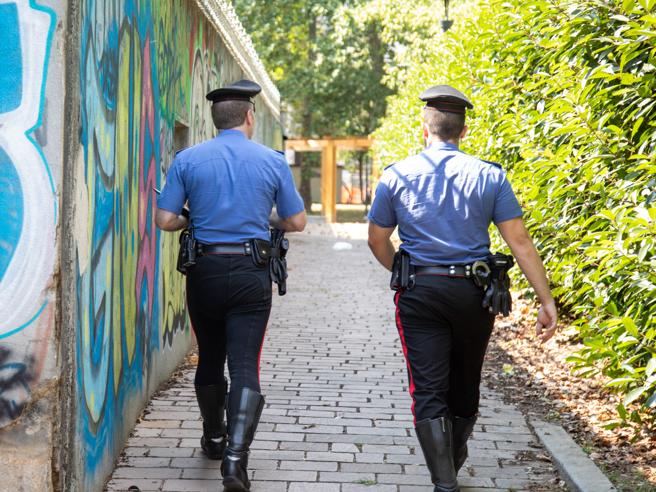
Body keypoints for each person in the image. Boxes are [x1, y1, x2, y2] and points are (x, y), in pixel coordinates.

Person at [367, 85, 558, 492]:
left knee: (428, 387)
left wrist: (401, 269)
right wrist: (546, 300)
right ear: (464, 131)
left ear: (424, 128)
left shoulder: (396, 175)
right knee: (466, 380)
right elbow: (519, 241)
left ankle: (444, 480)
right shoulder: (491, 176)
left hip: (421, 293)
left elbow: (377, 240)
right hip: (475, 294)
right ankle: (451, 461)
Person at [155, 79, 306, 492]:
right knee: (244, 365)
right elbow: (296, 222)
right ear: (250, 117)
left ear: (214, 119)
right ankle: (235, 462)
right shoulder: (272, 161)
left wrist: (193, 220)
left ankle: (214, 437)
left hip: (204, 270)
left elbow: (165, 220)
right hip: (250, 273)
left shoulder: (189, 160)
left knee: (209, 356)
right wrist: (264, 221)